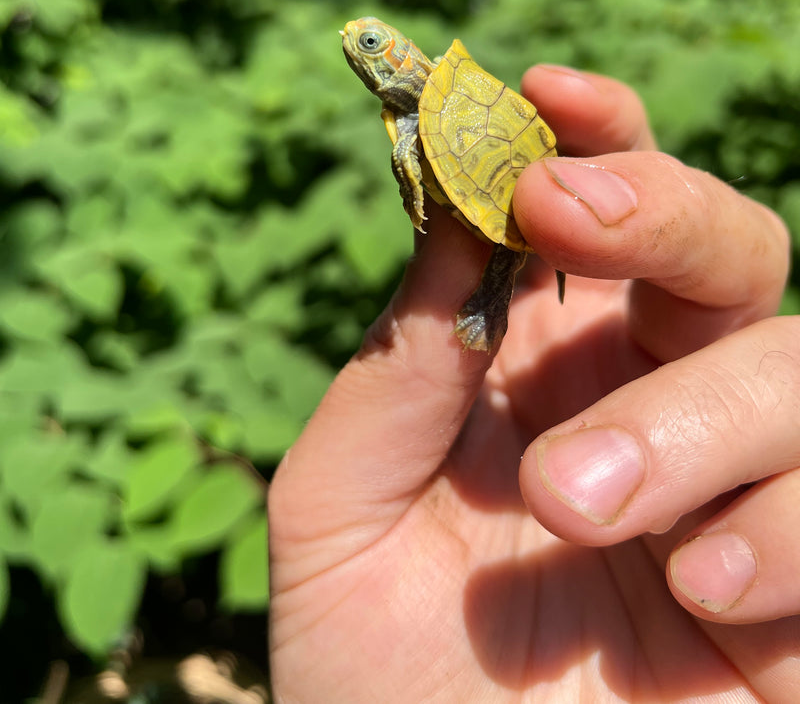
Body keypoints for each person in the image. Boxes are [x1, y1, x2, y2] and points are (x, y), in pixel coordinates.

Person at [268, 64, 797, 703]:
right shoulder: (361, 569)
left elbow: (415, 167)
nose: (360, 48)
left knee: (505, 252)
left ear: (398, 61)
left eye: (376, 44)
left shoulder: (429, 117)